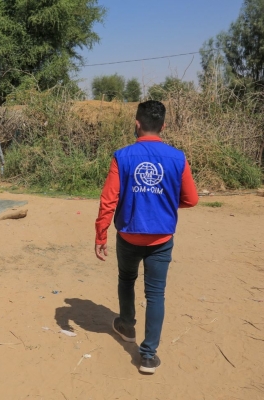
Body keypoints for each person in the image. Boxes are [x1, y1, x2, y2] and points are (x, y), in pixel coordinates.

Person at [94, 100, 199, 374]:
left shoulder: (123, 156)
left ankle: (127, 326)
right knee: (155, 294)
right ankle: (148, 356)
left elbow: (108, 199)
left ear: (137, 124)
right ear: (163, 126)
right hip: (161, 240)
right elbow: (191, 199)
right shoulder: (178, 158)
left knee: (126, 279)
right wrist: (165, 204)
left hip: (128, 237)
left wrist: (101, 234)